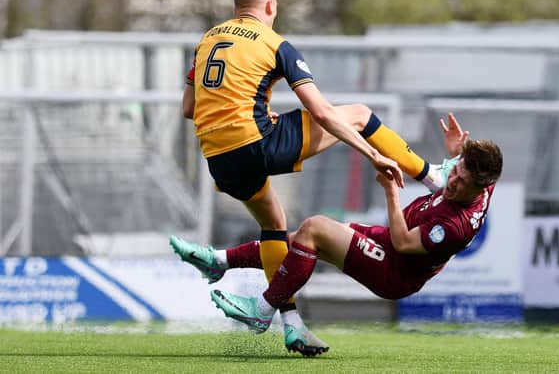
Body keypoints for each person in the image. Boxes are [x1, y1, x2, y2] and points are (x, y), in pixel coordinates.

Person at [176, 0, 446, 356]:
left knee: (274, 225)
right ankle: (434, 176)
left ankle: (291, 325)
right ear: (270, 6)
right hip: (257, 144)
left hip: (218, 158)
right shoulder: (274, 43)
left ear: (237, 5)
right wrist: (372, 153)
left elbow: (188, 108)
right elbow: (320, 111)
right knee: (357, 113)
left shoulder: (207, 40)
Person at [171, 116, 499, 357]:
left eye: (460, 181)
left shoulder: (455, 227)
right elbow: (468, 166)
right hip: (386, 244)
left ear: (479, 188)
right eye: (455, 171)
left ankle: (262, 306)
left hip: (395, 269)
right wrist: (457, 152)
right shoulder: (480, 177)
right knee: (302, 238)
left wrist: (390, 192)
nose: (452, 181)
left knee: (315, 228)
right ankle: (220, 262)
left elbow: (403, 243)